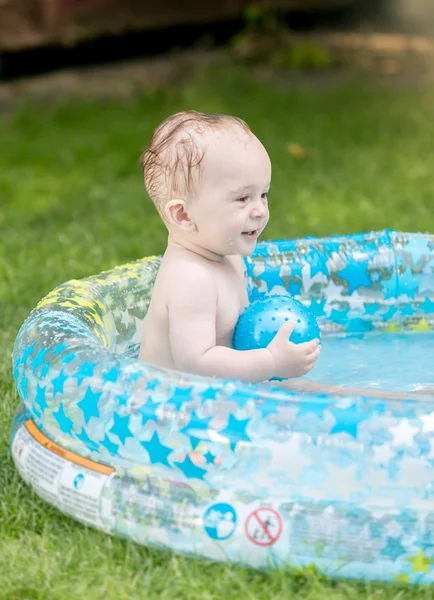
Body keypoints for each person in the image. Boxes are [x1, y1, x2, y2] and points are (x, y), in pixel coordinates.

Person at [138, 110, 321, 382]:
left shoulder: (228, 257)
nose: (260, 210)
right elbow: (196, 363)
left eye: (264, 194)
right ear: (184, 216)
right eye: (243, 198)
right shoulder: (191, 278)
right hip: (174, 410)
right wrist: (271, 362)